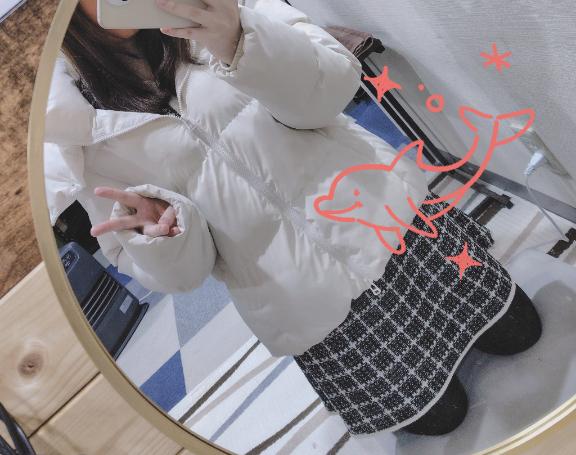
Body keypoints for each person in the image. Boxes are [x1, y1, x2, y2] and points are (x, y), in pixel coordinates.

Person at [43, 0, 542, 436]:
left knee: (523, 334)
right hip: (307, 303)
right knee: (444, 419)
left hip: (389, 222)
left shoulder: (229, 6)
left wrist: (239, 38)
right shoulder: (73, 128)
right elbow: (178, 273)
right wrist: (166, 237)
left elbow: (334, 88)